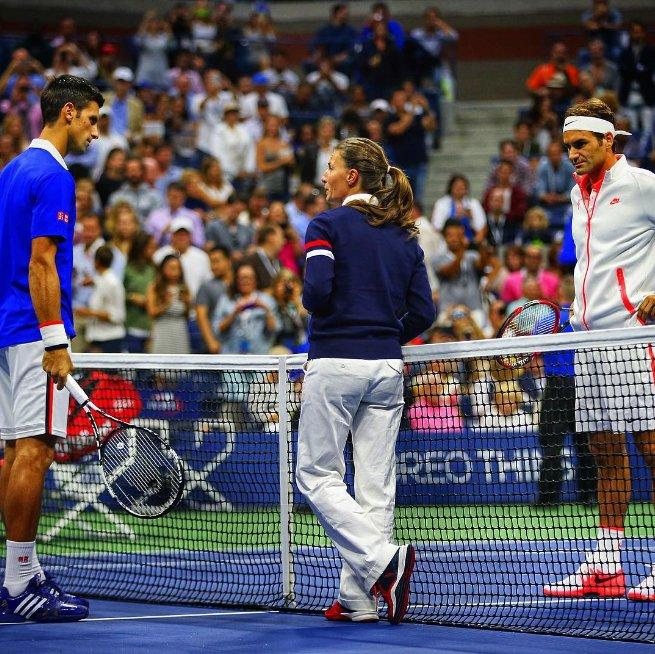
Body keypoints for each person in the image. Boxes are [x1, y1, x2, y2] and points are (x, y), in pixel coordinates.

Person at [295, 137, 435, 625]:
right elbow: (423, 311)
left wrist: (337, 317)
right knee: (375, 488)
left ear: (351, 176)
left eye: (331, 167)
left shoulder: (325, 225)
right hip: (387, 367)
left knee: (315, 476)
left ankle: (384, 563)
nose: (325, 176)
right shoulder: (404, 238)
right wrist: (381, 331)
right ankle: (358, 600)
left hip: (335, 363)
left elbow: (316, 292)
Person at [0, 74, 104, 622]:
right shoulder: (55, 176)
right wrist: (55, 341)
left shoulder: (11, 170)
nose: (95, 131)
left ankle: (20, 571)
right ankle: (20, 583)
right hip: (32, 334)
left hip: (4, 329)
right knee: (34, 452)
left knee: (15, 452)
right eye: (91, 119)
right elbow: (42, 261)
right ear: (67, 112)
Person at [543, 98, 655, 601]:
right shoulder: (575, 194)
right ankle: (608, 568)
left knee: (652, 448)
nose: (573, 154)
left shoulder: (640, 186)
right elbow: (593, 264)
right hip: (589, 337)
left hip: (634, 336)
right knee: (604, 450)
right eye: (568, 146)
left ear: (609, 140)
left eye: (581, 144)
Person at [537, 276, 597, 506]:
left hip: (558, 388)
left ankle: (548, 499)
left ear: (560, 291)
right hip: (583, 387)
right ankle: (589, 497)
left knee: (552, 445)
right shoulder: (587, 320)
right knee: (585, 445)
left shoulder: (548, 319)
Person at [74, 245, 125, 353]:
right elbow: (100, 283)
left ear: (96, 261)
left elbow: (118, 316)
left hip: (109, 340)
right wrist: (93, 282)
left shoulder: (113, 283)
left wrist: (89, 313)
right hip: (96, 338)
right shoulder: (100, 279)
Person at [146, 254, 191, 354]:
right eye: (171, 268)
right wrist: (166, 304)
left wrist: (188, 303)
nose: (175, 272)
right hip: (161, 332)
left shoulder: (184, 288)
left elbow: (187, 316)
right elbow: (152, 313)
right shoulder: (154, 287)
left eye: (177, 268)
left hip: (180, 332)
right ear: (163, 269)